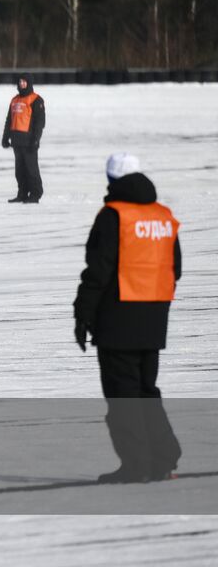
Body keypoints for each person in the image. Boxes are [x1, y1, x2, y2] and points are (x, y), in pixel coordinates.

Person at [73, 152, 183, 484]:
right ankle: (163, 459)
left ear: (110, 181)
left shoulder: (112, 216)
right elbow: (174, 268)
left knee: (123, 395)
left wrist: (83, 315)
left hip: (118, 320)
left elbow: (98, 272)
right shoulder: (164, 216)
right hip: (153, 318)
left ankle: (137, 466)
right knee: (146, 390)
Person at [1, 74, 45, 203]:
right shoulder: (14, 100)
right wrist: (5, 137)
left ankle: (35, 194)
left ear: (29, 83)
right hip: (16, 141)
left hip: (29, 142)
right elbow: (9, 120)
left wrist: (36, 139)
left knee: (31, 170)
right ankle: (23, 194)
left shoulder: (36, 100)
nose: (22, 84)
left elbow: (40, 123)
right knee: (19, 171)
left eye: (24, 82)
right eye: (20, 82)